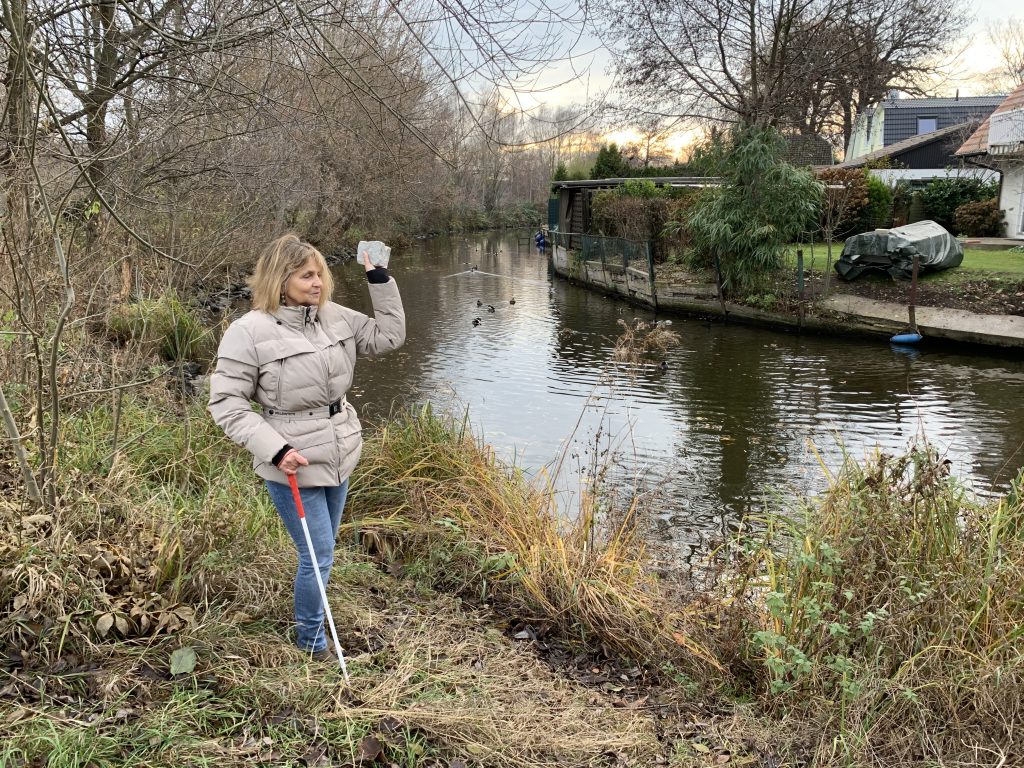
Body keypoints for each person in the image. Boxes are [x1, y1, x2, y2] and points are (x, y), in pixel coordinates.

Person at [209, 233, 405, 660]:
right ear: (281, 280)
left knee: (325, 551)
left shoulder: (334, 317)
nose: (317, 283)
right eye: (306, 276)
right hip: (292, 461)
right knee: (316, 555)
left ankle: (314, 625)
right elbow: (226, 403)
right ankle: (312, 643)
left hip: (340, 450)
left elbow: (389, 337)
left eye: (320, 274)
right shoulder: (249, 332)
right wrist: (276, 451)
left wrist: (378, 278)